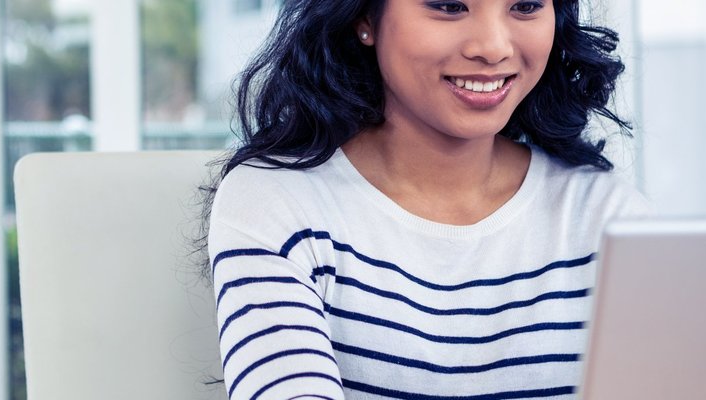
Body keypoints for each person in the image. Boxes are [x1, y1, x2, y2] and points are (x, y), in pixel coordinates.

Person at [203, 0, 650, 398]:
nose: (493, 47)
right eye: (449, 6)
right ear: (365, 17)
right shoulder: (277, 202)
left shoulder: (605, 213)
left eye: (526, 6)